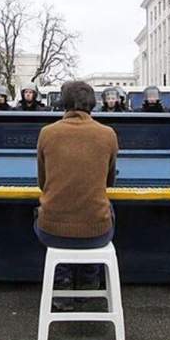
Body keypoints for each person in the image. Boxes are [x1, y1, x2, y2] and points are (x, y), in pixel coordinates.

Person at [34, 81, 118, 311]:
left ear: (63, 103)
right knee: (108, 212)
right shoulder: (108, 134)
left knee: (45, 213)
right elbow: (109, 182)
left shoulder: (46, 133)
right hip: (97, 233)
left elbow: (42, 184)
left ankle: (62, 282)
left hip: (51, 233)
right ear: (92, 103)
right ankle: (90, 278)